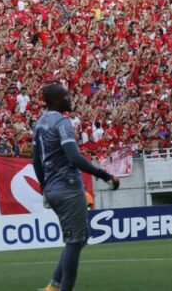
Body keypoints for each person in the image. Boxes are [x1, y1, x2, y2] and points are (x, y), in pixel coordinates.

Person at [33, 84, 119, 291]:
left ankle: (53, 287)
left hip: (53, 188)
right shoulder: (62, 122)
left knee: (76, 239)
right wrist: (104, 175)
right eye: (66, 96)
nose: (70, 99)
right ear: (55, 100)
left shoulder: (39, 123)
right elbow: (73, 157)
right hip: (68, 187)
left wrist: (45, 187)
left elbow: (36, 161)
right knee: (76, 240)